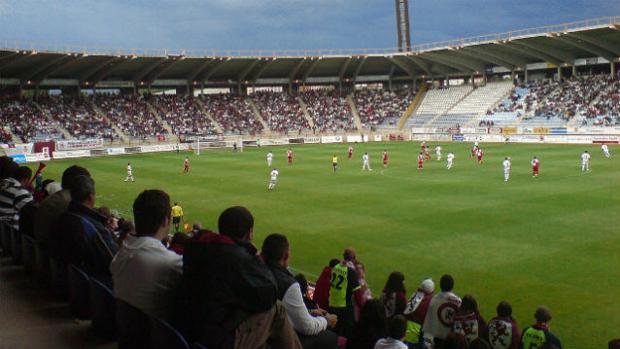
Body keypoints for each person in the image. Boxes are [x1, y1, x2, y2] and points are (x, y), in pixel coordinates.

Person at [182, 206, 302, 349]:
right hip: (216, 339)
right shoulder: (238, 259)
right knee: (277, 310)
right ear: (249, 234)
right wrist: (255, 255)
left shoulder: (197, 247)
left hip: (189, 327)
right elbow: (269, 293)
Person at [111, 190, 183, 320]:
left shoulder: (121, 253)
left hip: (126, 331)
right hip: (155, 335)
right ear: (166, 221)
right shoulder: (170, 262)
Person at [261, 234, 339, 349]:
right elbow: (307, 327)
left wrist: (310, 311)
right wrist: (326, 321)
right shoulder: (288, 284)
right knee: (330, 338)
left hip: (260, 331)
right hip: (273, 338)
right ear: (286, 255)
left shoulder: (257, 270)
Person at [53, 175, 118, 283]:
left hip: (69, 280)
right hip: (92, 285)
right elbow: (115, 261)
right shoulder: (91, 226)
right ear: (90, 197)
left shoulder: (64, 216)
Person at [34, 166, 91, 248]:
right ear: (81, 184)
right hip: (55, 256)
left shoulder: (50, 199)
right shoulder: (71, 205)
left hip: (42, 252)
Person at [422, 274, 462, 348]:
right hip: (452, 341)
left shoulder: (434, 300)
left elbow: (429, 323)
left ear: (440, 285)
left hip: (436, 340)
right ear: (452, 286)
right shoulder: (458, 301)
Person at [329, 256, 362, 337]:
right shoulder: (351, 272)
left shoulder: (336, 267)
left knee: (332, 330)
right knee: (345, 332)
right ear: (353, 260)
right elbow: (358, 297)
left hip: (332, 304)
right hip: (344, 307)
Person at [0, 166, 33, 231]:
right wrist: (29, 193)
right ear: (26, 179)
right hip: (9, 231)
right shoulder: (19, 191)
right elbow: (32, 211)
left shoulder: (3, 183)